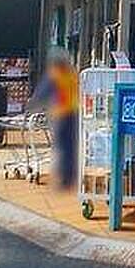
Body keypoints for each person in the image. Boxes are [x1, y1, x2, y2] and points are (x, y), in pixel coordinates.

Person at [29, 49, 79, 189]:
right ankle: (70, 176)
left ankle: (64, 179)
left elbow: (41, 94)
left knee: (61, 146)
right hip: (74, 114)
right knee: (70, 147)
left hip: (61, 115)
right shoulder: (72, 74)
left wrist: (31, 106)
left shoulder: (54, 75)